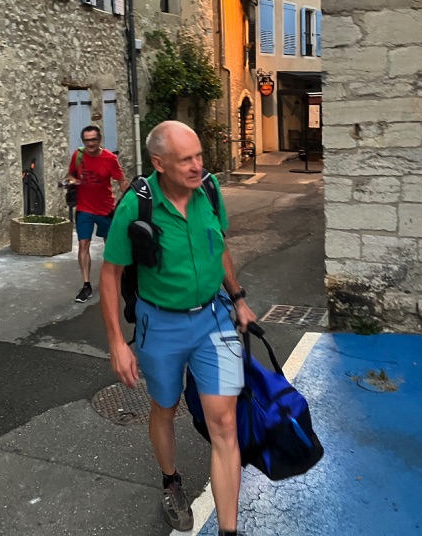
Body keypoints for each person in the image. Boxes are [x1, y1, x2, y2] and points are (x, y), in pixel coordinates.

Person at [99, 121, 256, 535]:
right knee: (164, 408)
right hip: (160, 326)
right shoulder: (137, 204)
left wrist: (238, 297)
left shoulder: (210, 189)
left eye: (199, 155)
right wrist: (117, 342)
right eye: (186, 159)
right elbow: (111, 275)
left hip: (214, 319)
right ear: (159, 163)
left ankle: (228, 531)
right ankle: (171, 481)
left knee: (225, 423)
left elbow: (219, 247)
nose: (197, 165)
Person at [66, 125, 130, 303]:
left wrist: (130, 202)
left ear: (99, 139)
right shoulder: (78, 156)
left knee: (111, 246)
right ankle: (86, 285)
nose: (90, 143)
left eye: (93, 139)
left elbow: (121, 181)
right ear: (83, 141)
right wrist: (71, 182)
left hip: (105, 209)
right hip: (84, 208)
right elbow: (70, 175)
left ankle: (117, 278)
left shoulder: (110, 159)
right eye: (87, 140)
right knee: (83, 244)